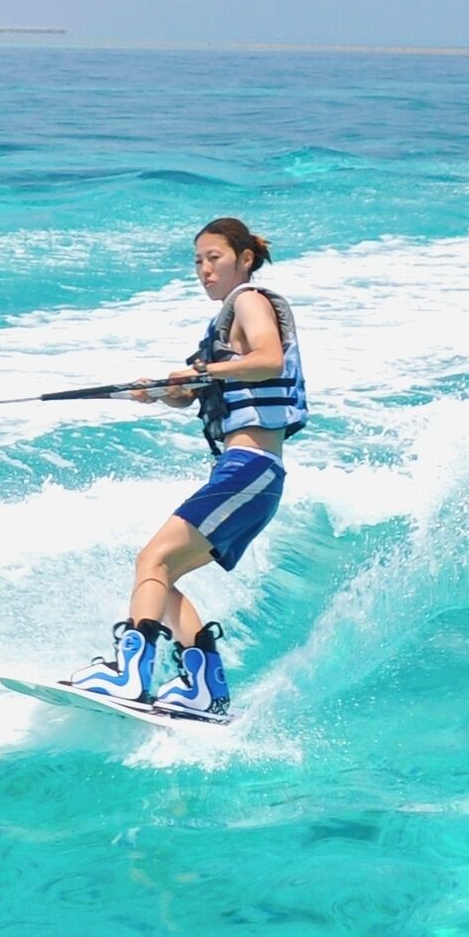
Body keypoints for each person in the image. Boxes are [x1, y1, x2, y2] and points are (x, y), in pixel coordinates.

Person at [66, 215, 306, 719]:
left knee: (151, 561)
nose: (203, 270)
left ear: (244, 259)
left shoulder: (250, 300)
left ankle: (130, 674)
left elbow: (268, 359)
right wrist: (157, 392)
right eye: (197, 261)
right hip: (246, 475)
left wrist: (197, 373)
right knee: (161, 575)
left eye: (213, 258)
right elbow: (201, 387)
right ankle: (202, 684)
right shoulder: (223, 326)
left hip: (251, 468)